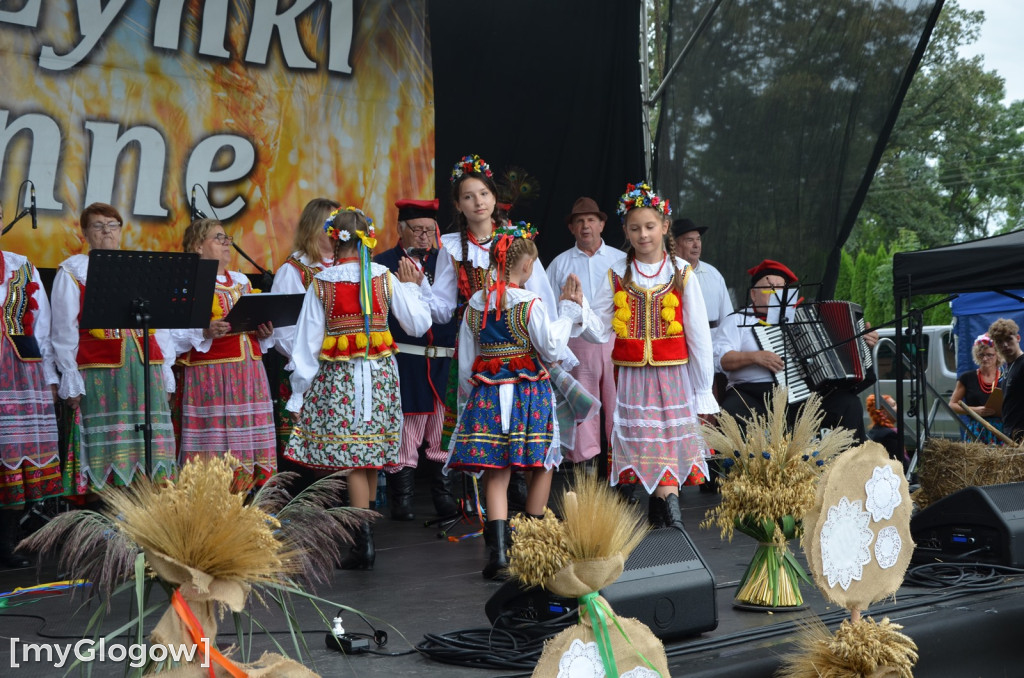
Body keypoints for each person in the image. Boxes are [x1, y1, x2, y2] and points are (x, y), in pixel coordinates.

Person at [284, 206, 431, 570]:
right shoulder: (383, 276)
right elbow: (417, 324)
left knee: (353, 458)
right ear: (367, 239)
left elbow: (306, 343)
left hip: (341, 379)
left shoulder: (322, 282)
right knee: (367, 458)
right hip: (380, 376)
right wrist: (412, 288)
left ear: (335, 239)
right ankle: (363, 538)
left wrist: (299, 392)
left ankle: (361, 542)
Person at [423, 155, 568, 510]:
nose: (478, 202)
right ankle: (491, 507)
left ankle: (521, 503)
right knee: (487, 428)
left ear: (493, 197)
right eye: (469, 196)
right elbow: (442, 306)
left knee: (528, 425)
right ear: (458, 204)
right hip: (481, 344)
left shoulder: (515, 241)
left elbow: (541, 296)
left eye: (484, 193)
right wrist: (416, 290)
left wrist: (556, 343)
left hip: (523, 343)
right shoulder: (452, 248)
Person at [446, 221, 587, 578]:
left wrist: (470, 398)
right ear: (527, 267)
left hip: (488, 394)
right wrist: (569, 312)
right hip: (527, 392)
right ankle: (534, 541)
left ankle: (499, 554)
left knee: (497, 469)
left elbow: (465, 363)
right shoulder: (529, 302)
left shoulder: (475, 306)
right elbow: (552, 346)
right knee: (541, 462)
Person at [587, 182, 719, 530]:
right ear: (626, 232)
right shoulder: (616, 272)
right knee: (646, 440)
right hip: (633, 377)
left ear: (664, 226)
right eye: (634, 228)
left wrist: (704, 388)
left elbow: (699, 334)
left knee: (668, 438)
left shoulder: (680, 271)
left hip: (674, 374)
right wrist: (578, 312)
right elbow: (600, 328)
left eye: (649, 226)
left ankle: (667, 509)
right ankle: (664, 509)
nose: (643, 234)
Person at [51, 203, 177, 495]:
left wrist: (166, 369)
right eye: (98, 225)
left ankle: (145, 513)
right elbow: (63, 329)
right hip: (101, 370)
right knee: (110, 441)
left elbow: (163, 324)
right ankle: (109, 510)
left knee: (147, 442)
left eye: (112, 224)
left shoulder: (140, 268)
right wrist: (70, 376)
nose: (106, 230)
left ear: (121, 230)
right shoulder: (74, 270)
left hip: (146, 366)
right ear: (84, 233)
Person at [714, 259, 875, 441]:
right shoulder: (737, 321)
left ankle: (851, 465)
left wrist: (861, 341)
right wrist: (754, 357)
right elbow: (722, 360)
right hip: (752, 393)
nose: (775, 292)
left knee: (848, 404)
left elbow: (836, 353)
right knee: (732, 410)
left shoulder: (805, 319)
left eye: (781, 288)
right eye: (768, 287)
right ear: (753, 294)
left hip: (800, 394)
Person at [171, 219, 277, 487]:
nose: (227, 243)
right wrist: (204, 332)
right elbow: (170, 336)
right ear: (197, 246)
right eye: (218, 238)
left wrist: (263, 332)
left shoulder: (241, 282)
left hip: (249, 373)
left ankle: (248, 505)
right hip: (211, 375)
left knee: (248, 445)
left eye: (226, 237)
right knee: (215, 447)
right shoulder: (188, 283)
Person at [374, 198, 459, 520]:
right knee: (406, 431)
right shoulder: (383, 264)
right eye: (417, 230)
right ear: (400, 230)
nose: (424, 237)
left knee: (441, 429)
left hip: (443, 360)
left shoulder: (445, 263)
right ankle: (402, 500)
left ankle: (443, 496)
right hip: (406, 360)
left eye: (429, 230)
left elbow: (448, 310)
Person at [0, 204, 62, 567]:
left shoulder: (21, 265)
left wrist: (50, 378)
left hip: (20, 375)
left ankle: (5, 541)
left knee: (13, 456)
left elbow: (42, 326)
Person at [546, 197, 626, 464]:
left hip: (616, 340)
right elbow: (546, 306)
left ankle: (622, 471)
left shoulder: (621, 260)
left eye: (591, 220)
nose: (585, 226)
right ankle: (585, 471)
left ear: (602, 224)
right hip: (577, 342)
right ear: (571, 228)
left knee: (619, 405)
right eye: (579, 221)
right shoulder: (560, 263)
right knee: (583, 405)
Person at [270, 198, 341, 455]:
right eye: (331, 226)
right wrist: (311, 360)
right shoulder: (294, 271)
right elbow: (283, 331)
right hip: (308, 369)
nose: (337, 232)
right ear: (313, 228)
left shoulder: (347, 268)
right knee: (309, 447)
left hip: (342, 368)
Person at [671, 218, 732, 332]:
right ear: (675, 244)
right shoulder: (665, 273)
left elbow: (727, 317)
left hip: (713, 341)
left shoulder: (713, 274)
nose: (696, 245)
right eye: (690, 240)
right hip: (677, 340)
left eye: (698, 239)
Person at [949, 333, 1005, 445]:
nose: (985, 358)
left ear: (997, 355)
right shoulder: (967, 378)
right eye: (981, 355)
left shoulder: (1006, 377)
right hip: (977, 430)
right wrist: (975, 411)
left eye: (990, 355)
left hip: (1002, 432)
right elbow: (952, 404)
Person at [987, 318, 1024, 441]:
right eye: (999, 342)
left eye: (1009, 339)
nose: (1005, 345)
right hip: (1011, 433)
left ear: (1018, 338)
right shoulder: (1007, 368)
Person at [865, 394, 907, 473]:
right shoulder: (889, 436)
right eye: (893, 405)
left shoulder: (874, 432)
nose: (898, 408)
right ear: (884, 413)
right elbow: (903, 466)